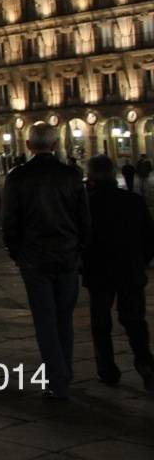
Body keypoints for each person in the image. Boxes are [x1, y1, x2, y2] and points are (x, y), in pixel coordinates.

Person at [2, 122, 90, 400]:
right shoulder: (71, 175)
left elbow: (10, 220)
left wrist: (17, 252)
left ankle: (57, 379)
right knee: (64, 317)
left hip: (34, 257)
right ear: (55, 144)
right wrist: (79, 249)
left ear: (29, 145)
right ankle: (65, 371)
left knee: (44, 319)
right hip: (66, 255)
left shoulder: (18, 177)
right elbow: (84, 219)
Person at [82, 155, 154, 391]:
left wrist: (84, 266)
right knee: (135, 320)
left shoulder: (87, 204)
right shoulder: (133, 201)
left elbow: (81, 240)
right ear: (114, 173)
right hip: (130, 269)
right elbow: (149, 237)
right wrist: (140, 261)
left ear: (91, 175)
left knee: (101, 322)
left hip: (99, 271)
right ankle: (145, 363)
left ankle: (107, 369)